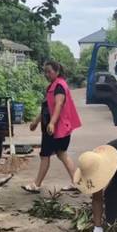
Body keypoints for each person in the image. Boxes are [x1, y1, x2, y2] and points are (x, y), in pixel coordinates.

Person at [22, 61, 82, 193]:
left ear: (57, 72)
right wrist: (36, 121)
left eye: (49, 71)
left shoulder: (59, 86)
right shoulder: (53, 86)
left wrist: (52, 123)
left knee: (45, 155)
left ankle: (36, 184)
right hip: (56, 128)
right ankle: (77, 182)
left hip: (55, 129)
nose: (46, 74)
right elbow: (46, 107)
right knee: (62, 154)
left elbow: (58, 106)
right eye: (45, 71)